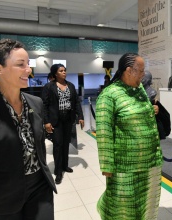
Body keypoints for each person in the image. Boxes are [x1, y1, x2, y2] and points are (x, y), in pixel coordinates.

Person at [0, 39, 57, 219]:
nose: (28, 70)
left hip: (39, 188)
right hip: (2, 193)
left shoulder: (35, 103)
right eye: (20, 64)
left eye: (28, 64)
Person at [96, 53, 163, 219]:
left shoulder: (139, 89)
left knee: (148, 202)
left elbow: (141, 110)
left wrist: (152, 110)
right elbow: (104, 133)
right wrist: (107, 165)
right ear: (128, 70)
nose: (143, 75)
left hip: (150, 161)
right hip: (125, 166)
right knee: (123, 207)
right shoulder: (109, 95)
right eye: (140, 71)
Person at [42, 63, 84, 184]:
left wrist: (80, 116)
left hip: (68, 119)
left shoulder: (70, 85)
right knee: (58, 145)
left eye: (65, 70)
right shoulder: (49, 87)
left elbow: (76, 102)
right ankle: (58, 170)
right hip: (55, 120)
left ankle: (65, 165)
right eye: (61, 71)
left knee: (66, 143)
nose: (64, 72)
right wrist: (46, 121)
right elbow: (44, 105)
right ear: (55, 73)